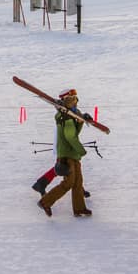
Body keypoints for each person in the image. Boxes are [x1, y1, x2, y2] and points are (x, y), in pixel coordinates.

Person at [38, 88, 92, 217]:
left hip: (72, 153)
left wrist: (81, 121)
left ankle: (79, 208)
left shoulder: (71, 114)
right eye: (73, 100)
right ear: (67, 101)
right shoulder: (65, 117)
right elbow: (70, 137)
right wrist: (81, 150)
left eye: (76, 99)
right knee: (69, 183)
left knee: (78, 182)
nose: (76, 102)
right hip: (67, 154)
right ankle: (45, 202)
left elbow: (74, 132)